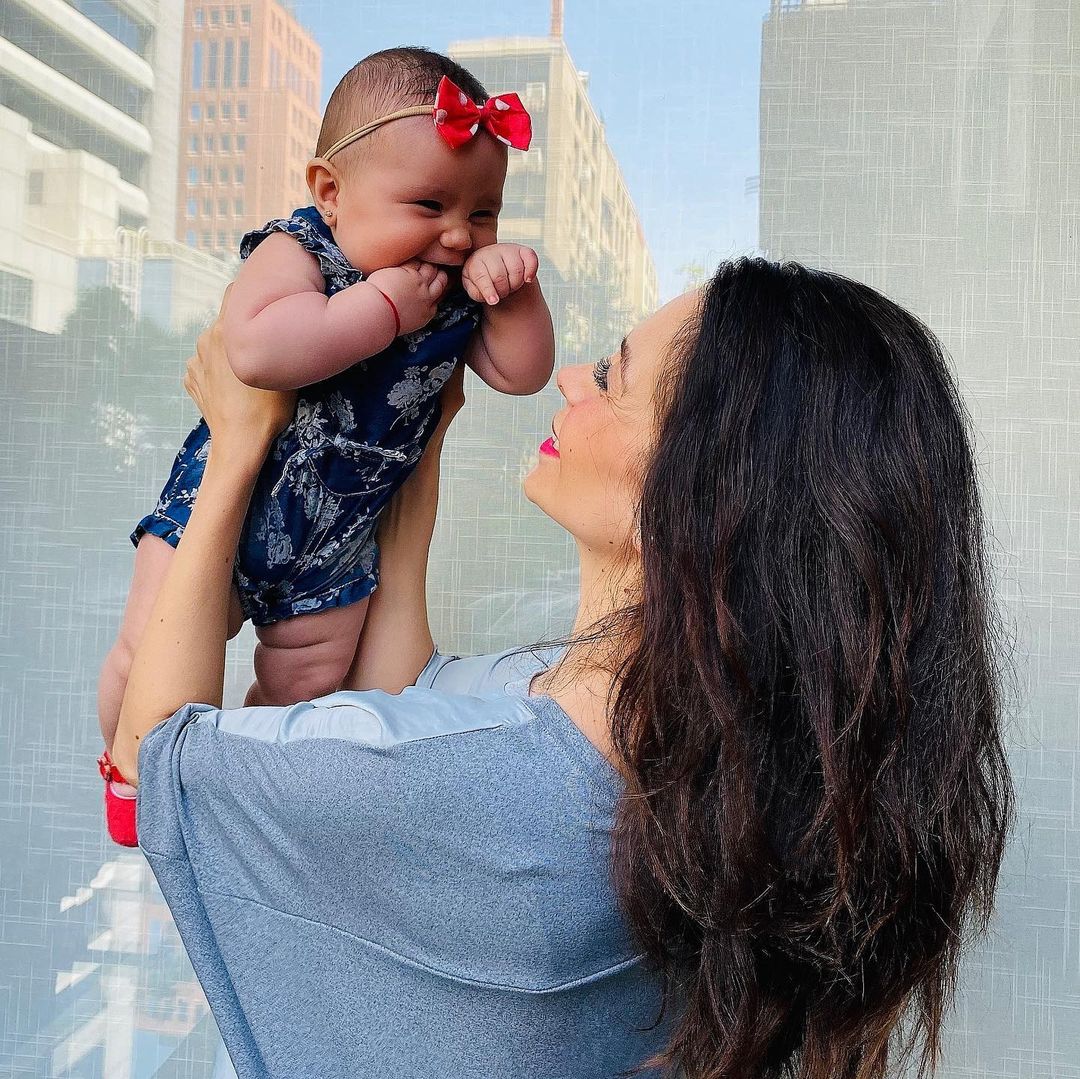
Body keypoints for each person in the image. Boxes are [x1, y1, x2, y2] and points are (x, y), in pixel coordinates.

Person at [111, 259, 1013, 1079]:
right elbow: (413, 701)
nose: (573, 377)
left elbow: (155, 758)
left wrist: (236, 445)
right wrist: (415, 446)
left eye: (613, 378)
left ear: (697, 489)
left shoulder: (493, 792)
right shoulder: (709, 771)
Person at [96, 47, 554, 845]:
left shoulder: (454, 289)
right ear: (330, 193)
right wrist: (379, 309)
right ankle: (124, 761)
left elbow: (522, 374)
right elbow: (257, 351)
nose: (455, 235)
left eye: (483, 213)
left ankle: (253, 787)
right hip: (225, 510)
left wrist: (516, 292)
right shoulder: (303, 250)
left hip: (339, 546)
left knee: (308, 687)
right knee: (150, 647)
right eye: (429, 204)